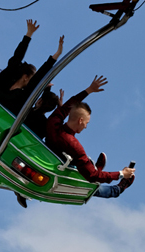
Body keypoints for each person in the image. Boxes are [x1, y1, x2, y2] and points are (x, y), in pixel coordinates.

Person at [41, 75, 135, 205]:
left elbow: (70, 104)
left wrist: (89, 90)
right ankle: (117, 189)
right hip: (63, 173)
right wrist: (121, 173)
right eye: (86, 123)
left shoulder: (53, 121)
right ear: (80, 121)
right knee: (91, 183)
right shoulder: (74, 145)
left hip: (47, 158)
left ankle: (94, 166)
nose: (86, 127)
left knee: (87, 165)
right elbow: (92, 176)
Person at [0, 19, 63, 138]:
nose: (33, 81)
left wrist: (55, 56)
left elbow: (38, 77)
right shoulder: (6, 83)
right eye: (31, 77)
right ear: (25, 77)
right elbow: (16, 58)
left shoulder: (19, 94)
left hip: (3, 125)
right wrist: (28, 35)